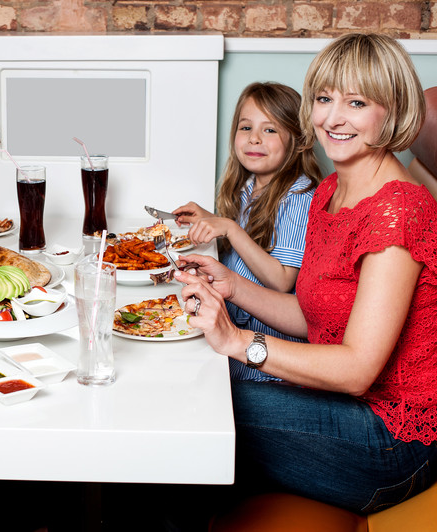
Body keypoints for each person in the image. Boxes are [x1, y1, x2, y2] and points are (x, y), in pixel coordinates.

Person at [175, 33, 437, 515]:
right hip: (341, 408)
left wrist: (238, 342)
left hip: (390, 439)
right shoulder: (330, 191)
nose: (332, 118)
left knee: (193, 409)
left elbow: (358, 370)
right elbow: (309, 313)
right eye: (323, 98)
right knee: (195, 392)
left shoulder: (399, 209)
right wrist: (231, 286)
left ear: (392, 111)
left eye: (355, 102)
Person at [172, 82, 322, 382]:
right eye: (245, 127)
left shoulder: (299, 196)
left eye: (270, 130)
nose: (254, 138)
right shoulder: (247, 188)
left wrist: (228, 228)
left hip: (265, 361)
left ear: (297, 138)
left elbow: (281, 280)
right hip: (231, 332)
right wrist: (211, 220)